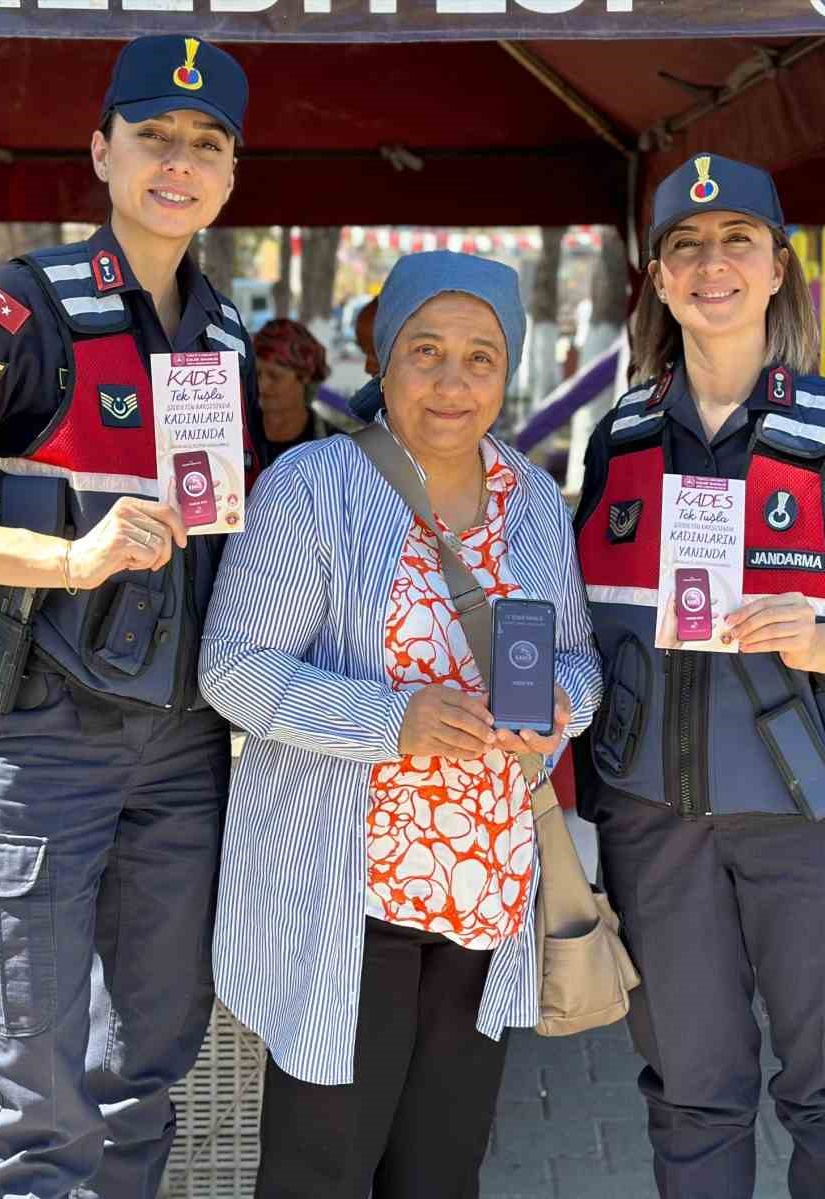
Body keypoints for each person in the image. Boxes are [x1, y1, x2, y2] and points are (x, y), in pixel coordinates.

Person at [0, 35, 264, 1199]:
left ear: (232, 175)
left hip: (183, 746)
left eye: (206, 145)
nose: (177, 163)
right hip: (39, 736)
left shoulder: (225, 338)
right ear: (101, 150)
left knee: (144, 1069)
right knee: (38, 1105)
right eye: (153, 137)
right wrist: (64, 557)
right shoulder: (18, 308)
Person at [199, 251, 603, 1198]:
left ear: (509, 372)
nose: (453, 382)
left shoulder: (536, 504)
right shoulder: (314, 487)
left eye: (480, 357)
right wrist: (393, 719)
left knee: (440, 1172)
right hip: (352, 906)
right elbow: (233, 670)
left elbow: (579, 659)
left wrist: (562, 708)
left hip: (487, 904)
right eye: (426, 351)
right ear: (382, 360)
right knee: (321, 1171)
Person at [572, 153, 825, 1199]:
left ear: (778, 268)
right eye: (683, 245)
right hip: (658, 825)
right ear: (657, 277)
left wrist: (816, 639)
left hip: (818, 819)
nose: (709, 262)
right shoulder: (621, 437)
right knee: (690, 1099)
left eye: (736, 240)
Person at [253, 317, 332, 463]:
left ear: (305, 376)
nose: (261, 385)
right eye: (257, 374)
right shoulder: (237, 439)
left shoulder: (337, 448)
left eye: (274, 376)